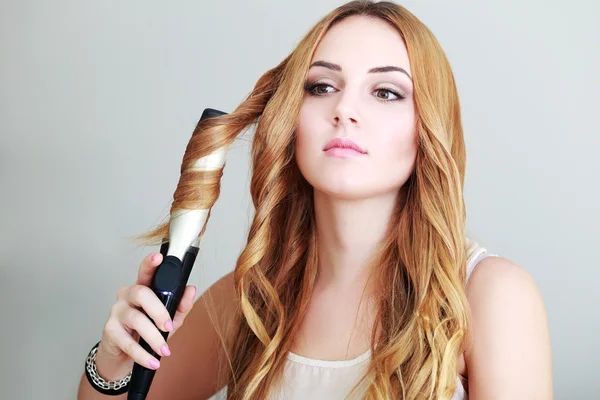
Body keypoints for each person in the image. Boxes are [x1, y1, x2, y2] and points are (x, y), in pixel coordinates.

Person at [77, 1, 553, 399]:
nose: (344, 109)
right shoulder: (252, 299)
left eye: (386, 92)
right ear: (292, 117)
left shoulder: (489, 297)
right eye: (321, 86)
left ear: (428, 130)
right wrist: (113, 362)